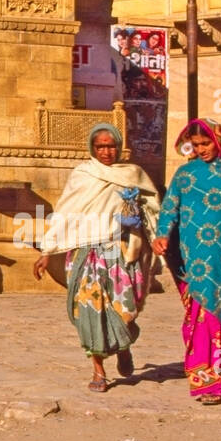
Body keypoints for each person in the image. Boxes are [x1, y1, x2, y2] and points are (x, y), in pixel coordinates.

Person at [32, 123, 161, 392]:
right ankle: (99, 371)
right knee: (89, 311)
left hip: (122, 252)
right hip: (86, 253)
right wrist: (47, 252)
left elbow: (153, 209)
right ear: (92, 147)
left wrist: (147, 225)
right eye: (100, 146)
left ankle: (122, 346)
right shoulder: (83, 174)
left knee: (125, 311)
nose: (106, 151)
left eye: (111, 145)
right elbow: (65, 212)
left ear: (119, 147)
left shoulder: (133, 174)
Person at [152, 119, 221, 405]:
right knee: (197, 318)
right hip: (192, 258)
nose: (202, 149)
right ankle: (200, 377)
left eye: (207, 144)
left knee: (217, 318)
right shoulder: (184, 175)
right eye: (197, 145)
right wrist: (162, 235)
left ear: (219, 140)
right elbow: (170, 209)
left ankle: (214, 383)